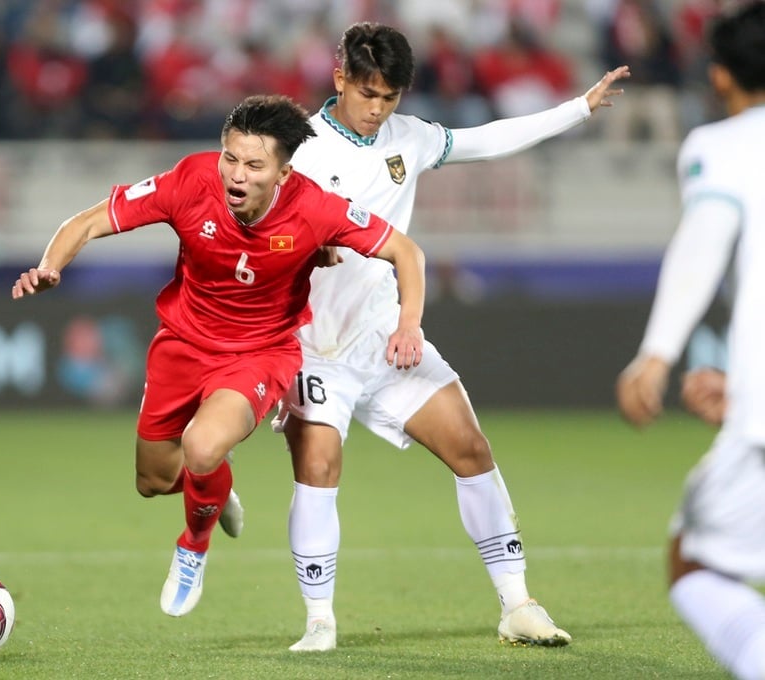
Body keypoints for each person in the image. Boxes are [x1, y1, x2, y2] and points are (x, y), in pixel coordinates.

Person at [272, 21, 630, 651]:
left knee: (470, 448)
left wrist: (580, 107)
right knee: (320, 467)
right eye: (367, 93)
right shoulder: (296, 147)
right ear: (340, 80)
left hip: (385, 335)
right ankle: (320, 621)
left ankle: (518, 604)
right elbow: (255, 230)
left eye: (390, 97)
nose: (377, 109)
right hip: (312, 345)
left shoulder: (409, 139)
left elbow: (488, 140)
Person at [11, 94, 427, 618]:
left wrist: (407, 323)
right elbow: (90, 221)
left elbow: (405, 251)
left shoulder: (315, 208)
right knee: (154, 481)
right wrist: (51, 266)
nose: (236, 174)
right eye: (230, 157)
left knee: (202, 446)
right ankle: (213, 489)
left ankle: (193, 544)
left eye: (254, 165)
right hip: (182, 344)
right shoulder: (191, 180)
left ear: (282, 171)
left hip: (260, 352)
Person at [616, 4, 765, 678]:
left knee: (694, 560)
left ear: (721, 76)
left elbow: (705, 241)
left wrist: (658, 353)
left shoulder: (725, 145)